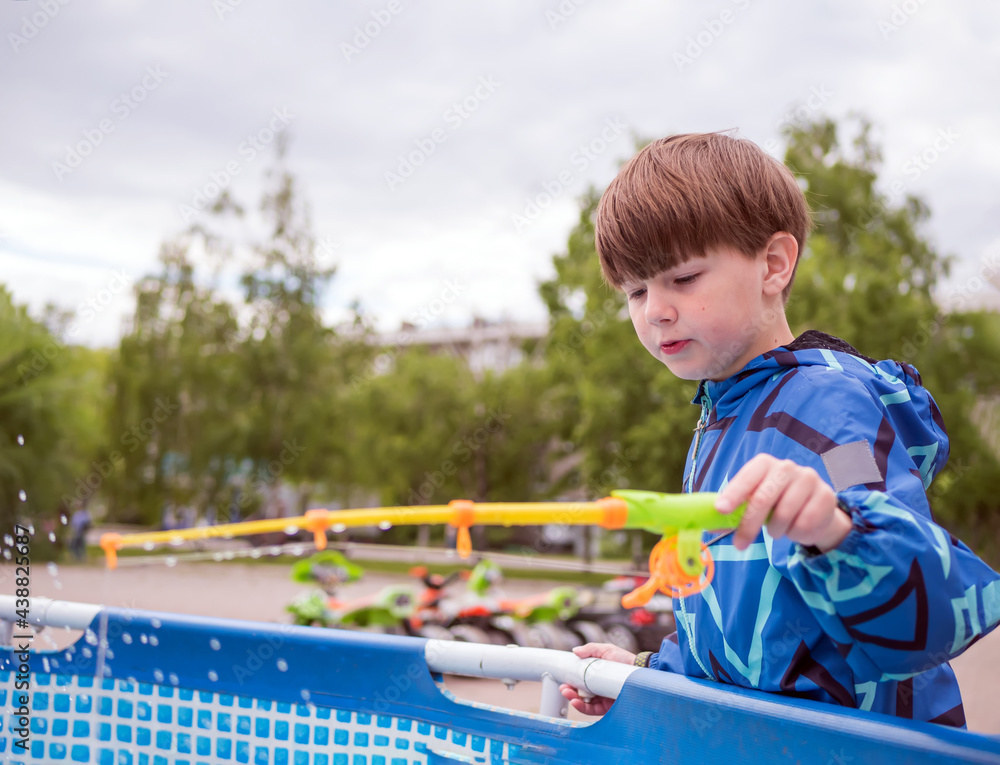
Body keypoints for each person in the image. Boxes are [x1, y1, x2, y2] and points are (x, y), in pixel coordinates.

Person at [560, 132, 1000, 726]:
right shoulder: (719, 421)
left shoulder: (832, 410)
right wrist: (647, 674)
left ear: (773, 264)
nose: (655, 309)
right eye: (636, 291)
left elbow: (930, 618)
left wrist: (835, 529)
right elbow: (738, 629)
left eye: (682, 278)